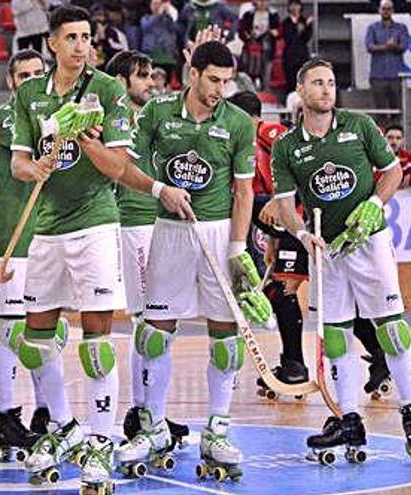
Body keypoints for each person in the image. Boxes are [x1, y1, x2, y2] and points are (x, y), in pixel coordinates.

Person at [10, 5, 193, 487]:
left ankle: (100, 440)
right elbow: (18, 165)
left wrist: (84, 142)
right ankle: (62, 426)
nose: (80, 45)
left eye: (86, 37)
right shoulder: (29, 94)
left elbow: (116, 168)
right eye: (70, 37)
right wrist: (37, 168)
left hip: (94, 224)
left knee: (96, 344)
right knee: (36, 341)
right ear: (51, 43)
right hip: (46, 229)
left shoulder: (107, 91)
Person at [117, 39, 269, 481]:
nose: (220, 89)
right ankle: (154, 425)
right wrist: (159, 190)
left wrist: (239, 249)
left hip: (219, 235)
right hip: (169, 232)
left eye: (227, 81)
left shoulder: (239, 123)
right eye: (213, 79)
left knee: (225, 334)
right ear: (193, 73)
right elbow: (128, 168)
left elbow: (244, 192)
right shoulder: (157, 114)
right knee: (154, 334)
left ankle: (218, 428)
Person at [272, 57, 411, 463]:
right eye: (318, 83)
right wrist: (302, 234)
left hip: (369, 244)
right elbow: (285, 205)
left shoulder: (359, 126)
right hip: (326, 252)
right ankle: (348, 420)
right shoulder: (287, 146)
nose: (327, 89)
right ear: (301, 91)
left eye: (330, 82)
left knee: (392, 331)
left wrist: (376, 204)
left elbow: (392, 172)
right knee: (337, 337)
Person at [104, 49, 192, 449]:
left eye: (153, 76)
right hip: (134, 223)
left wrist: (191, 74)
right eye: (142, 77)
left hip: (157, 222)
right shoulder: (116, 120)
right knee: (147, 324)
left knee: (157, 324)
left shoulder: (150, 117)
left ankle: (149, 410)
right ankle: (142, 414)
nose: (151, 84)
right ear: (121, 81)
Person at [0, 48, 50, 459]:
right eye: (22, 75)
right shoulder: (2, 120)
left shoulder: (54, 111)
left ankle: (46, 412)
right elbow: (37, 154)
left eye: (37, 73)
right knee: (10, 330)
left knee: (47, 332)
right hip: (12, 235)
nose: (30, 80)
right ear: (11, 81)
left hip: (49, 235)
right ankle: (4, 417)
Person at [226, 90, 309, 392]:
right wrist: (273, 239)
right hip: (285, 227)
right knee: (277, 290)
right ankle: (293, 364)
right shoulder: (246, 147)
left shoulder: (269, 133)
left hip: (301, 220)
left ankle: (295, 365)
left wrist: (281, 198)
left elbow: (303, 163)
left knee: (284, 290)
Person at [365, 0, 408, 128]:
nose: (386, 11)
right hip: (378, 76)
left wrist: (393, 46)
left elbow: (403, 46)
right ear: (379, 10)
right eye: (384, 8)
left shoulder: (401, 28)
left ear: (393, 10)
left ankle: (397, 138)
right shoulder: (372, 28)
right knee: (381, 112)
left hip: (395, 75)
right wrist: (386, 46)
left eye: (389, 9)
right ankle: (381, 141)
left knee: (397, 111)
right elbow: (370, 47)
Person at [237, 0, 280, 89]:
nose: (262, 3)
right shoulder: (248, 14)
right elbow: (241, 31)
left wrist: (274, 32)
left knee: (265, 75)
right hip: (251, 50)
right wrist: (247, 35)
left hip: (267, 48)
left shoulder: (273, 15)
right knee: (249, 73)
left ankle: (265, 94)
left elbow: (279, 31)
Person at [140, 0, 182, 80]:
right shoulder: (145, 18)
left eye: (159, 4)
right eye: (154, 4)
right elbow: (147, 26)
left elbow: (175, 29)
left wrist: (169, 14)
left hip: (168, 57)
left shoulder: (168, 19)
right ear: (150, 6)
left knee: (167, 82)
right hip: (151, 56)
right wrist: (159, 14)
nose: (157, 6)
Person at [281, 0, 312, 94]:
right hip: (290, 54)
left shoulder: (304, 21)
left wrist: (307, 26)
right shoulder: (286, 22)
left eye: (296, 5)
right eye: (292, 5)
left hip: (302, 54)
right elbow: (288, 37)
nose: (294, 7)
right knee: (290, 81)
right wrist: (296, 26)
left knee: (303, 80)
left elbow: (306, 38)